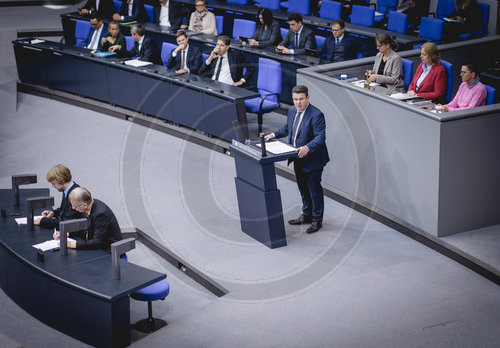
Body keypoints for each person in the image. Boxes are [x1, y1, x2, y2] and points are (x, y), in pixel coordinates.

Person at [264, 85, 330, 234]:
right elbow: (288, 127)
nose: (298, 102)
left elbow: (321, 137)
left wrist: (307, 147)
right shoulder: (293, 110)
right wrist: (273, 135)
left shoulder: (316, 115)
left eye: (301, 99)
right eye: (295, 99)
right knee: (303, 188)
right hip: (297, 157)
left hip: (313, 159)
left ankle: (317, 220)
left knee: (314, 190)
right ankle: (307, 215)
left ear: (307, 98)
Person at [54, 187, 123, 250]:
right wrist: (65, 234)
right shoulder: (87, 207)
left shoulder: (100, 214)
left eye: (75, 206)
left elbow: (97, 242)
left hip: (109, 250)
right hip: (95, 245)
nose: (73, 208)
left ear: (84, 205)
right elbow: (84, 229)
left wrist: (71, 244)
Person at [34, 164, 83, 229]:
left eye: (54, 183)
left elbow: (67, 222)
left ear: (62, 181)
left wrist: (42, 221)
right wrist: (53, 213)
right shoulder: (68, 190)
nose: (53, 186)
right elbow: (64, 210)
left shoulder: (75, 194)